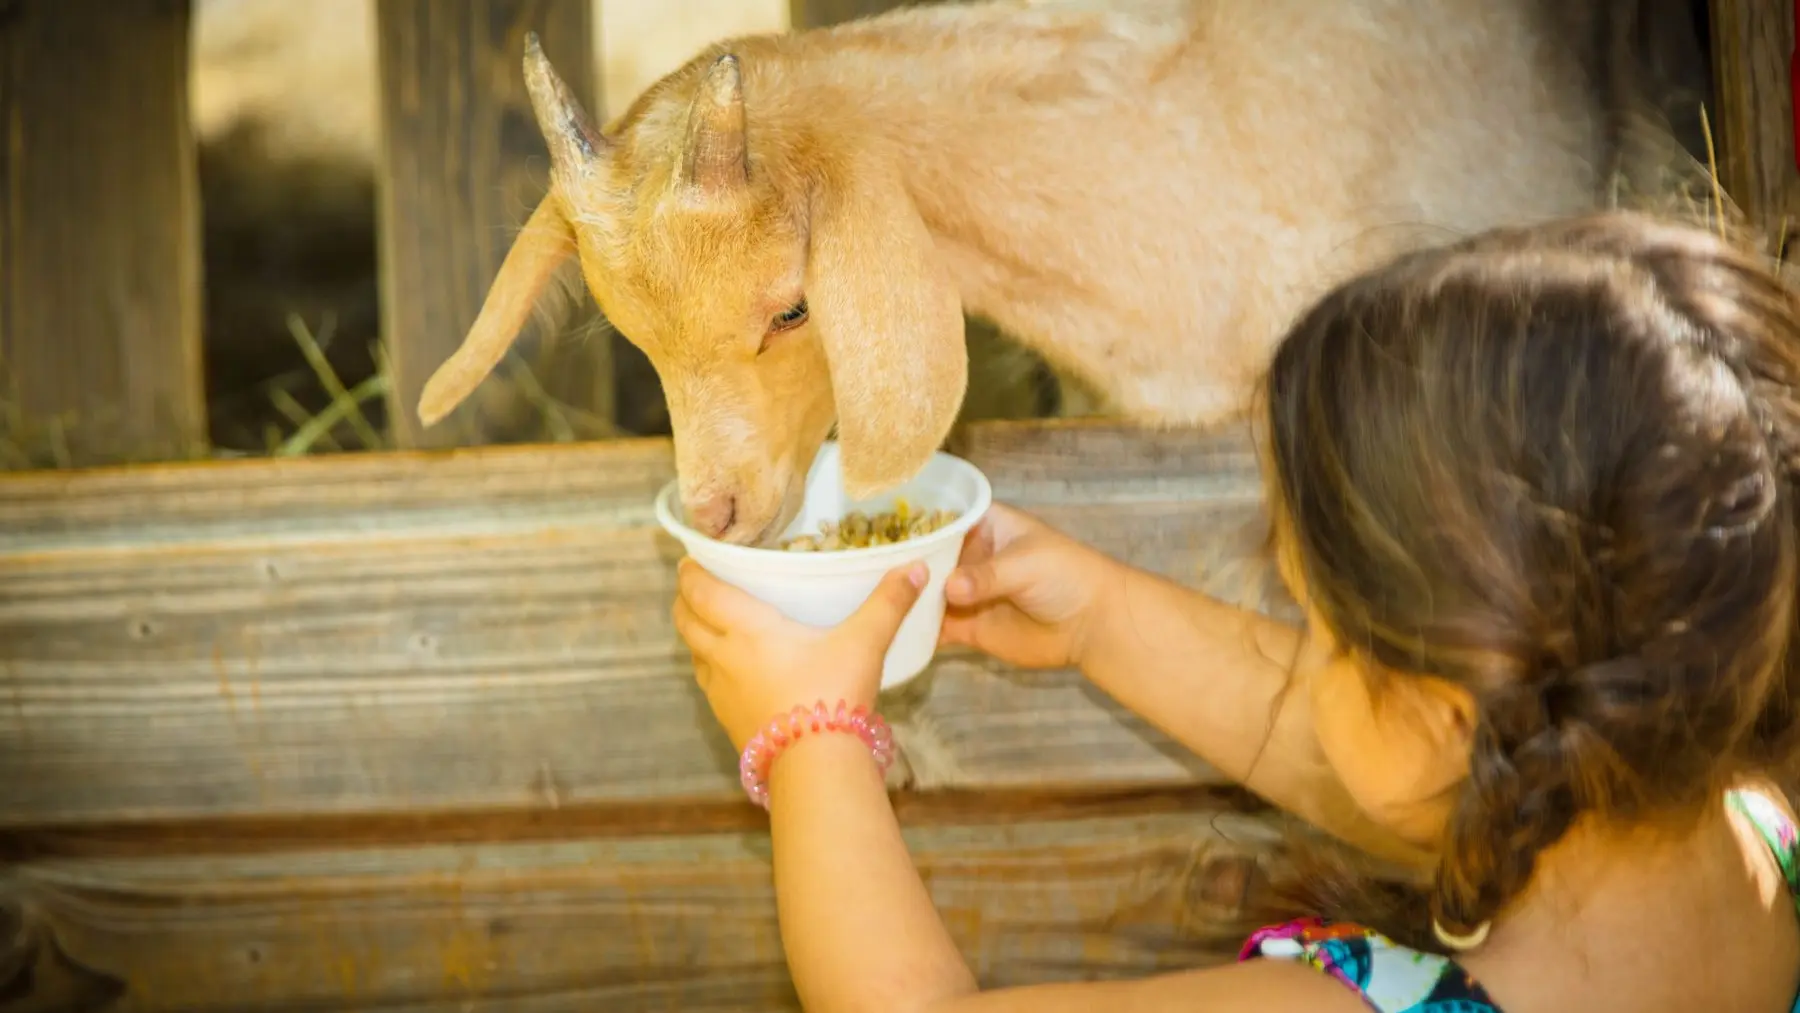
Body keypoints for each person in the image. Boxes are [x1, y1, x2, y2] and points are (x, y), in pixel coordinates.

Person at [670, 210, 1800, 1012]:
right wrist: (1100, 619)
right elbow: (1382, 756)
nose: (1306, 657)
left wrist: (812, 735)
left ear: (1450, 713)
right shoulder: (1753, 819)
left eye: (1323, 629)